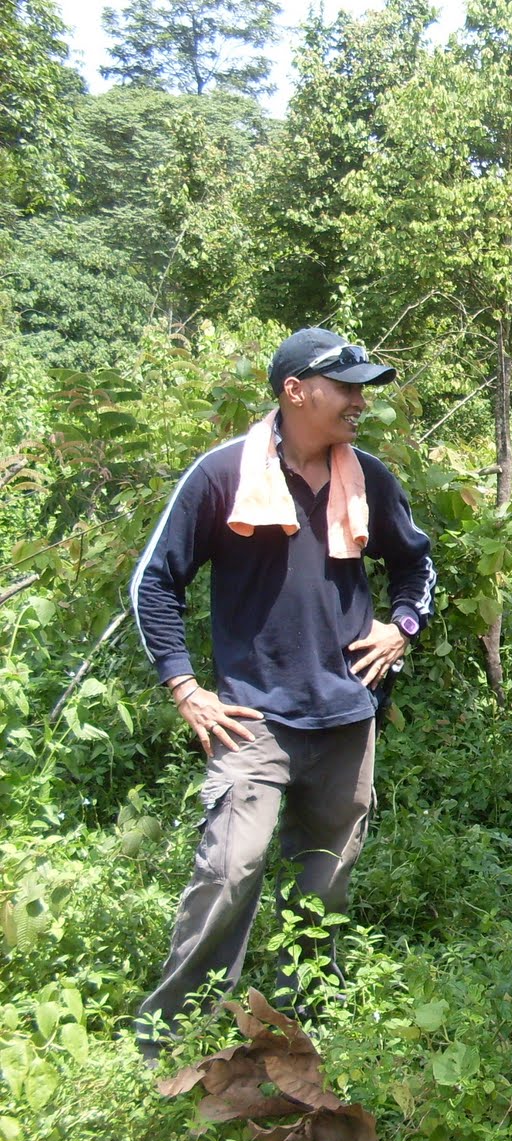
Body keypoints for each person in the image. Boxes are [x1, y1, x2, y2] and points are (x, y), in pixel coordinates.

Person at [130, 328, 435, 1059]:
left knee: (325, 879)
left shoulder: (368, 477)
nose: (361, 402)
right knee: (231, 868)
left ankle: (306, 1020)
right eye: (347, 388)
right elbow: (154, 584)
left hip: (345, 715)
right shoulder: (223, 476)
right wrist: (185, 687)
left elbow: (416, 566)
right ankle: (171, 1037)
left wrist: (403, 626)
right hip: (251, 716)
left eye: (364, 388)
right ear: (296, 391)